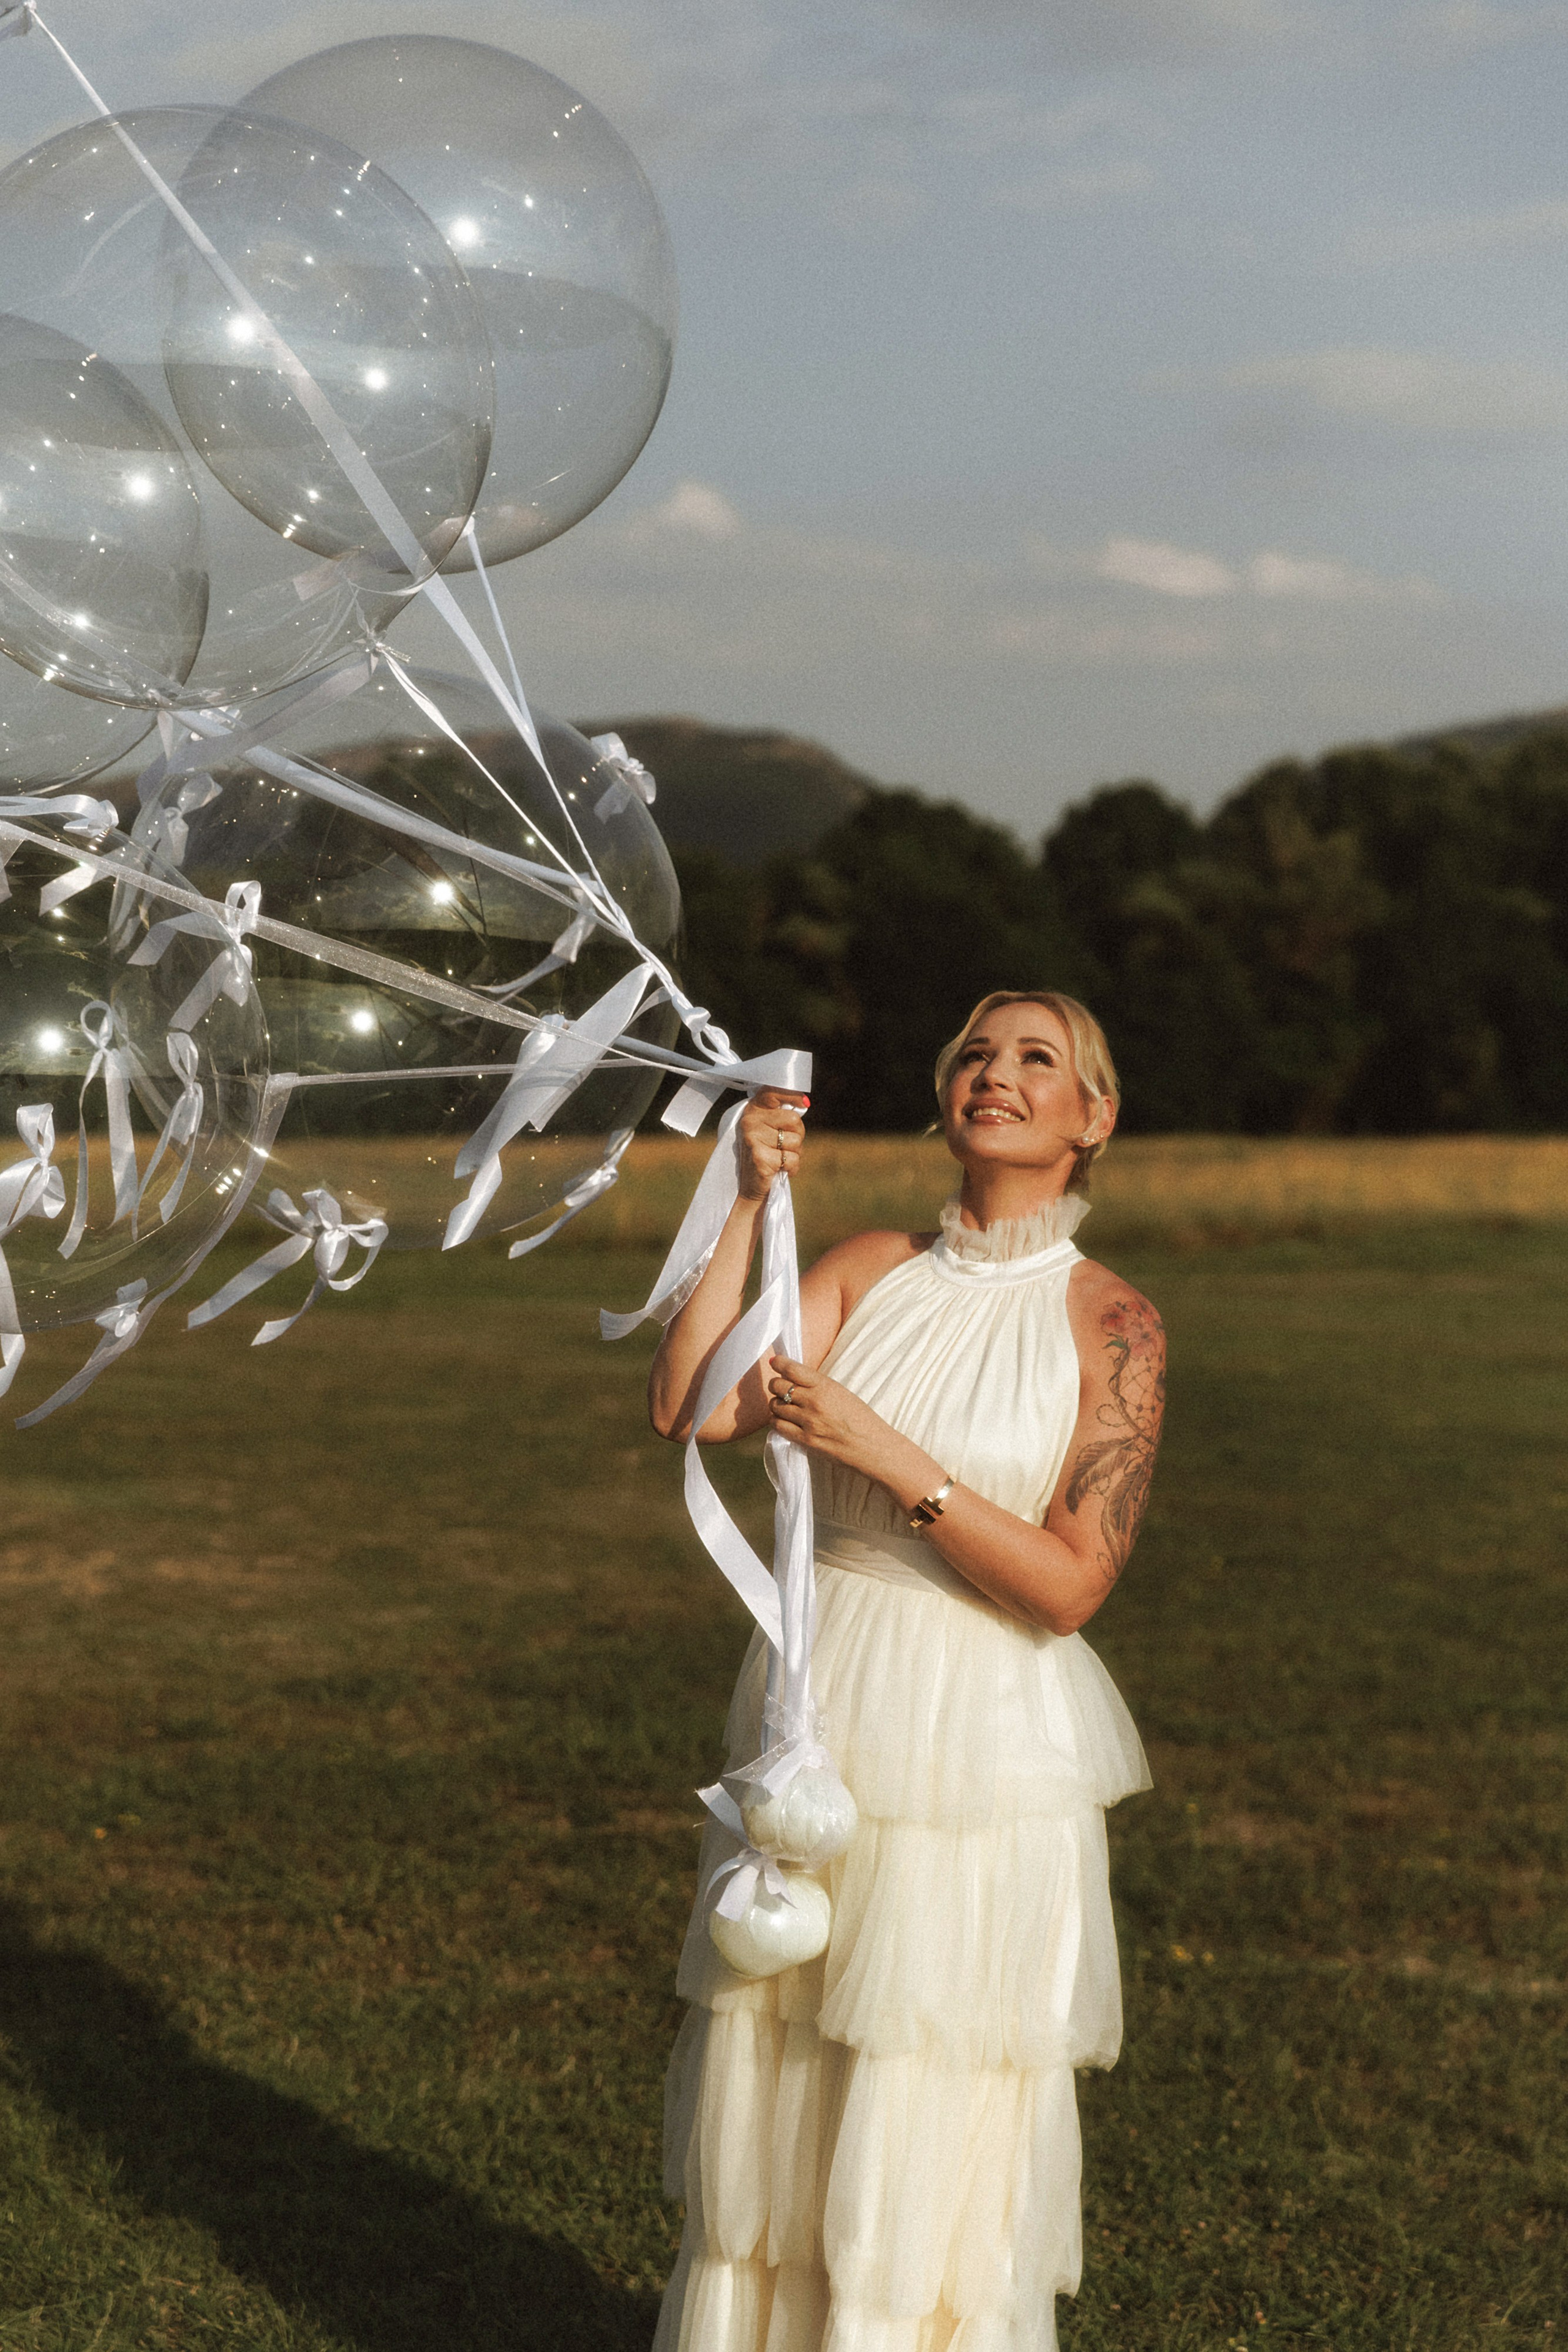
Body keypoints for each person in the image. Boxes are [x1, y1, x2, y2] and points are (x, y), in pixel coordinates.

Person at [647, 989, 1163, 2351]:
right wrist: (746, 1203)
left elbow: (1068, 1587)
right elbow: (690, 1401)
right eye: (974, 1053)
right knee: (789, 2046)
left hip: (982, 1731)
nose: (993, 1073)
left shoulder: (1110, 1325)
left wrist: (889, 1459)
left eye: (1035, 1059)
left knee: (932, 2065)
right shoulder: (868, 1268)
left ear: (1091, 1119)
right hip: (826, 1703)